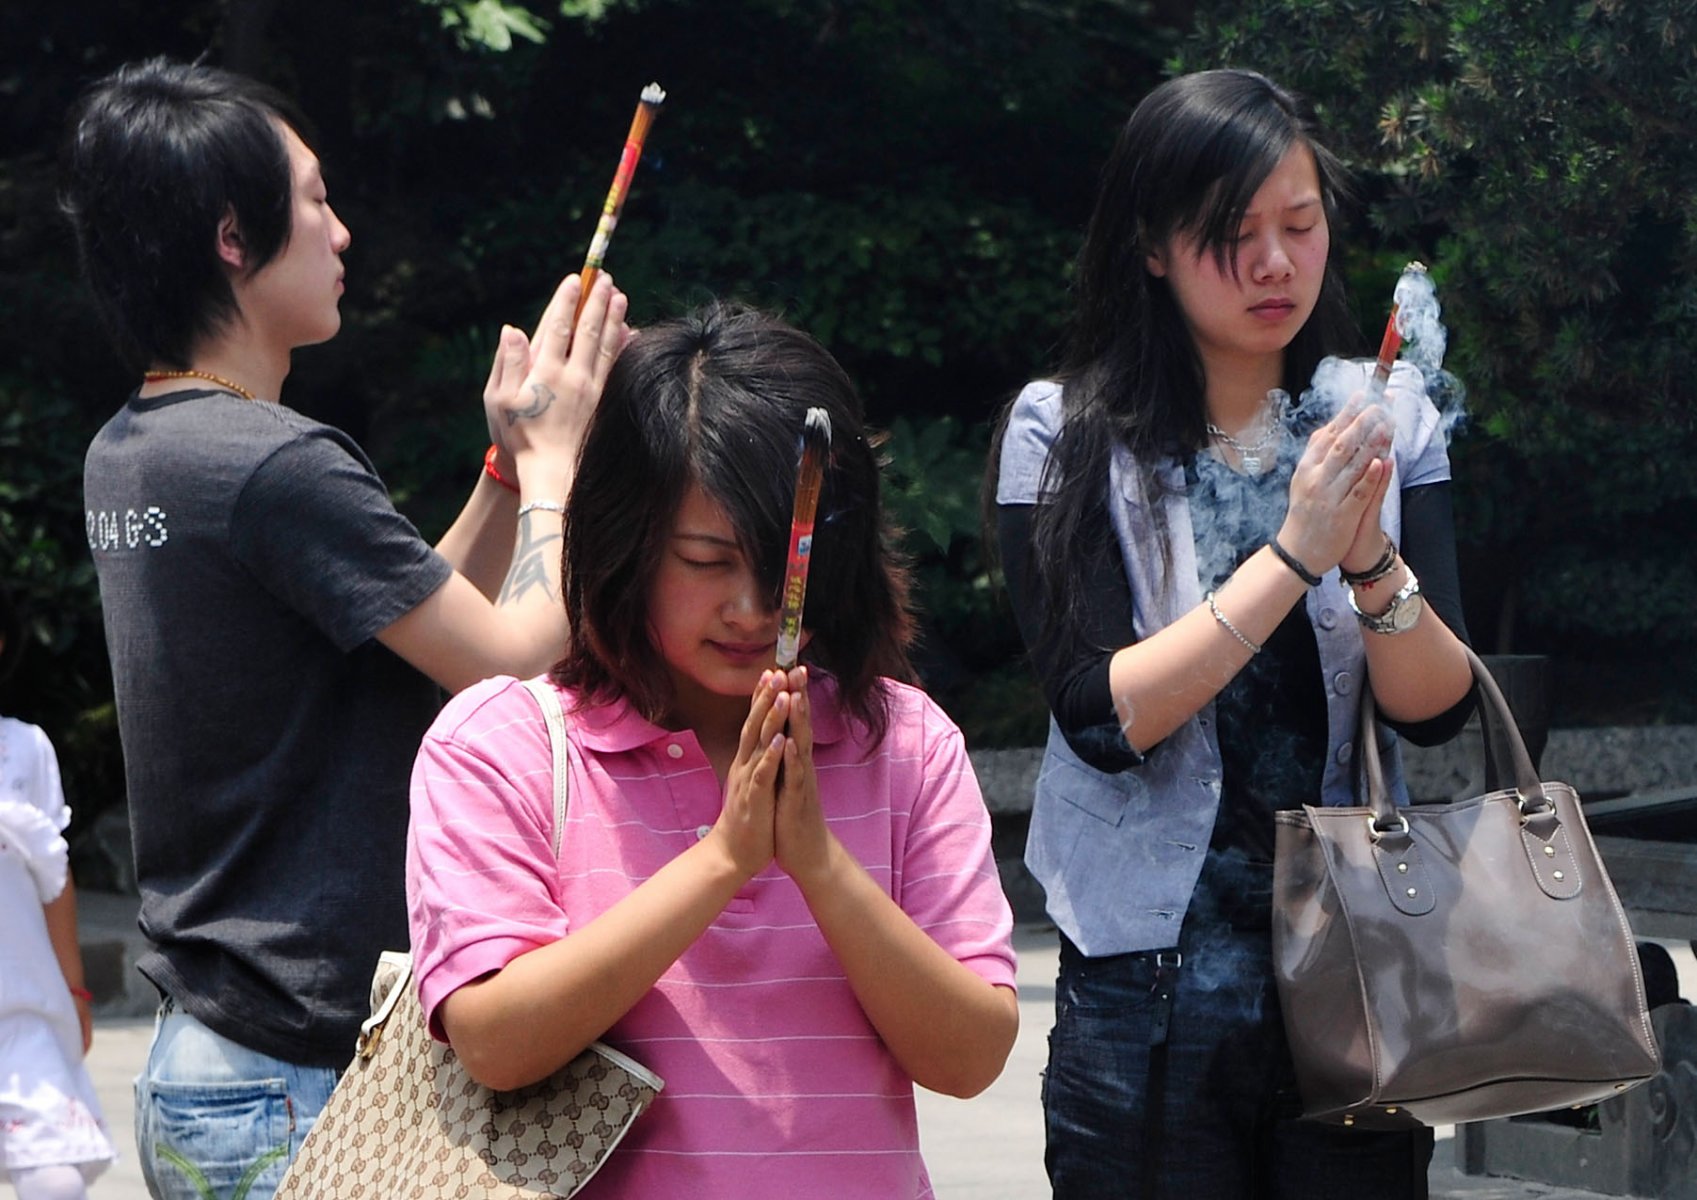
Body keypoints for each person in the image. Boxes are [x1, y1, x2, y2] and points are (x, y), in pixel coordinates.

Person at [60, 57, 629, 1198]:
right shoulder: (274, 461)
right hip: (293, 1066)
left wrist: (508, 476)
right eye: (315, 199)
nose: (343, 231)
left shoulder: (138, 446)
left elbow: (410, 616)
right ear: (233, 233)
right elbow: (511, 661)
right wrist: (564, 456)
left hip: (207, 1062)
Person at [989, 69, 1476, 1198]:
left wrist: (1367, 556)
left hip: (1358, 970)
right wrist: (1298, 549)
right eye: (1230, 234)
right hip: (1142, 992)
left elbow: (1439, 707)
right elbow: (1104, 714)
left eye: (1296, 226)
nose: (1273, 263)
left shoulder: (1385, 420)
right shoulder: (1063, 433)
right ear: (1151, 248)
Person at [407, 303, 1020, 1196]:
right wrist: (726, 858)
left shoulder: (907, 740)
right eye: (705, 560)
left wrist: (817, 863)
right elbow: (496, 1042)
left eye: (786, 568)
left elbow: (969, 1057)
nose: (751, 607)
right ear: (625, 540)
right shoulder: (499, 743)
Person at [0, 585, 118, 1200]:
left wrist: (74, 989)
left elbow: (54, 877)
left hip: (23, 1008)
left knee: (56, 1182)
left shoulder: (26, 747)